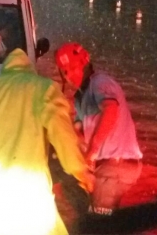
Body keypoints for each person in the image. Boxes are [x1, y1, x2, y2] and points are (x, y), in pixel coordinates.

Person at [0, 48, 94, 235]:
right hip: (23, 191)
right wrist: (81, 172)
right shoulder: (44, 88)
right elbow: (63, 136)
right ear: (30, 69)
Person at [54, 42, 143, 217]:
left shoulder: (100, 82)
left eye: (73, 67)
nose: (70, 75)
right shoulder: (81, 97)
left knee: (98, 221)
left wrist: (92, 152)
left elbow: (110, 109)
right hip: (111, 167)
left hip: (115, 166)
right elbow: (76, 132)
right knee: (99, 216)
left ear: (85, 63)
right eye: (65, 71)